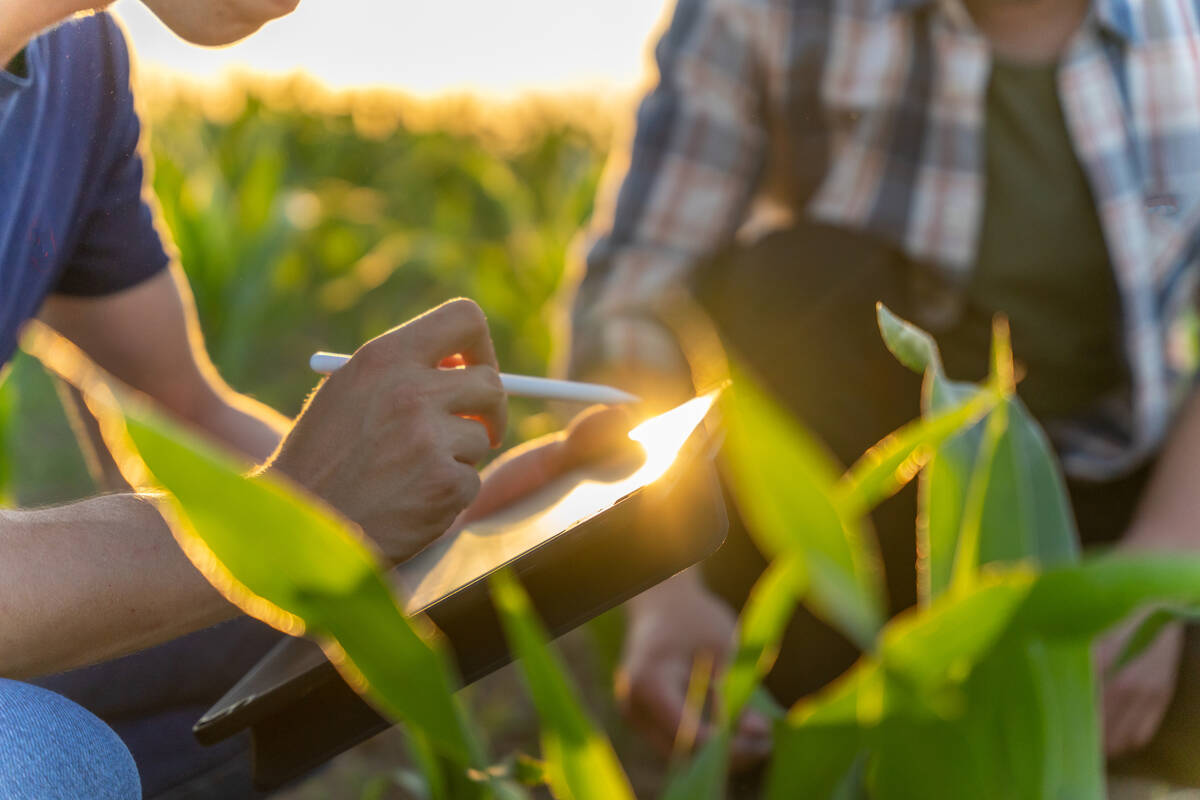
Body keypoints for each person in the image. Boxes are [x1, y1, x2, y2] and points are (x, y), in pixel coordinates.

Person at [565, 0, 1200, 785]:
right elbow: (631, 309)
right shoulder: (761, 15)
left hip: (1111, 495)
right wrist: (664, 581)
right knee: (795, 281)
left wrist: (1158, 579)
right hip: (853, 498)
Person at [0, 2, 507, 796]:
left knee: (330, 645)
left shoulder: (76, 72)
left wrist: (464, 529)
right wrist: (292, 515)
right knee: (48, 763)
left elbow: (182, 409)